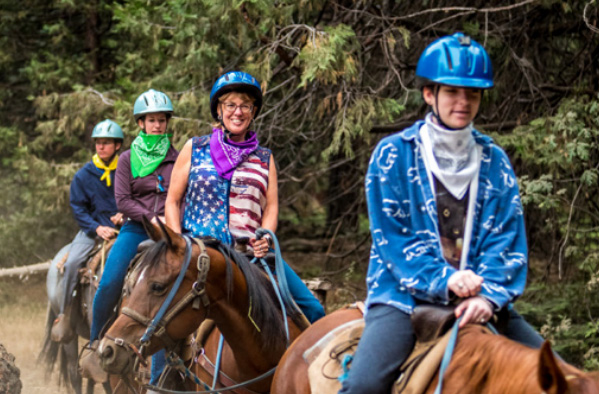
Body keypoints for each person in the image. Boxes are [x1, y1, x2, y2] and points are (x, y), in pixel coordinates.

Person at [339, 32, 546, 394]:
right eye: (452, 91)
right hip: (403, 298)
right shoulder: (392, 155)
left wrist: (488, 296)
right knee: (364, 387)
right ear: (429, 94)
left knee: (558, 374)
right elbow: (393, 239)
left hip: (480, 301)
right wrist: (444, 279)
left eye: (473, 93)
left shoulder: (495, 161)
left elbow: (507, 238)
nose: (463, 101)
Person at [165, 71, 325, 324]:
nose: (237, 112)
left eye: (245, 106)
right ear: (219, 109)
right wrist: (177, 243)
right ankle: (162, 366)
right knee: (166, 315)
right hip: (199, 254)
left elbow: (270, 205)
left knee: (313, 309)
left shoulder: (264, 157)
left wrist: (265, 237)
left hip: (251, 255)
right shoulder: (195, 147)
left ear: (253, 112)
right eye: (230, 104)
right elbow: (173, 201)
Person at [87, 89, 178, 384]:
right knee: (110, 281)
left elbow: (182, 194)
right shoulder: (126, 159)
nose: (157, 126)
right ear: (140, 123)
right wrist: (151, 218)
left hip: (171, 229)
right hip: (136, 227)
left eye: (162, 120)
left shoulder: (178, 158)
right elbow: (123, 200)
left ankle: (166, 370)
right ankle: (95, 345)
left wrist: (170, 219)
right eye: (151, 120)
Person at [50, 119, 124, 343]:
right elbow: (78, 208)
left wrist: (124, 214)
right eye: (98, 143)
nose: (101, 147)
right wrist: (96, 227)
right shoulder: (83, 175)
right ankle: (64, 314)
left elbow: (134, 196)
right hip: (91, 232)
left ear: (117, 145)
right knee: (72, 263)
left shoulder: (127, 169)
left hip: (125, 229)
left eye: (106, 143)